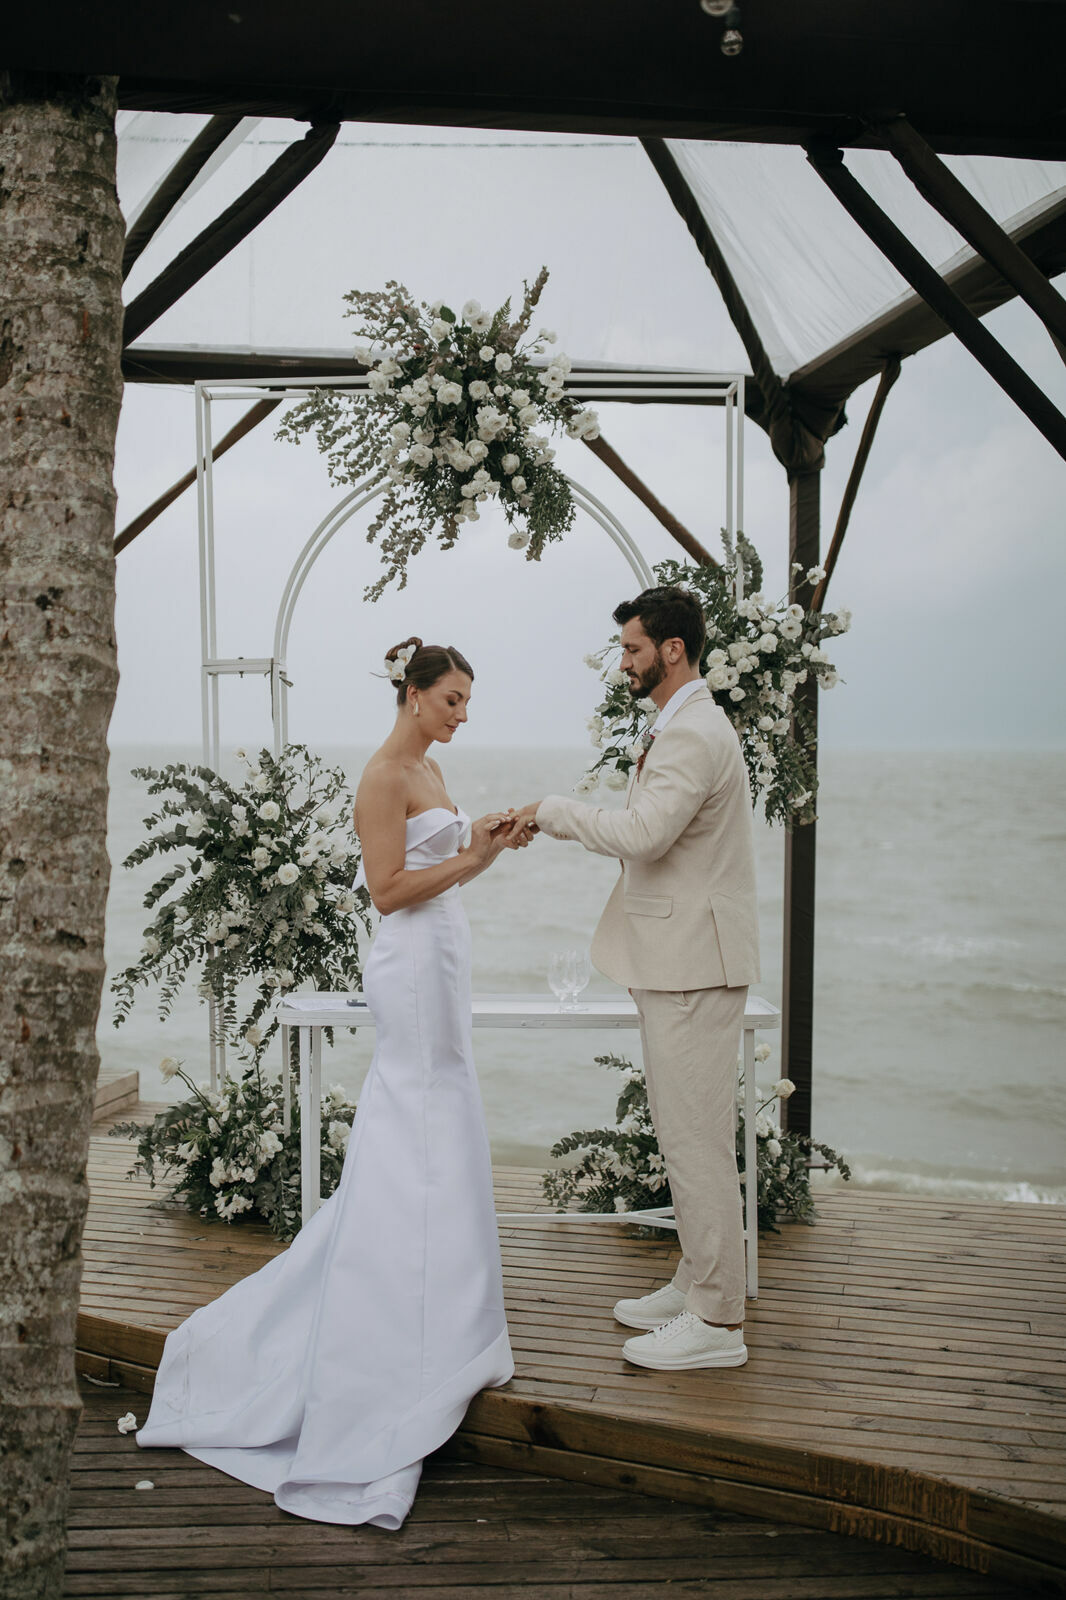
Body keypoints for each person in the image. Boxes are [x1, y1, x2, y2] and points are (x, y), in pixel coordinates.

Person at [135, 637, 532, 1527]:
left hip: (444, 957)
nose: (463, 713)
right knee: (417, 1120)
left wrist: (484, 835)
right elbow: (389, 890)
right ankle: (404, 1310)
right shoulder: (385, 775)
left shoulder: (427, 768)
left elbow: (442, 853)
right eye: (454, 699)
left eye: (469, 700)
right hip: (411, 959)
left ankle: (457, 1313)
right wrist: (475, 863)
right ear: (415, 694)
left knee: (445, 1117)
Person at [513, 586, 759, 1371]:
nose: (623, 661)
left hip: (693, 961)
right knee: (688, 1133)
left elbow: (647, 835)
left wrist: (557, 811)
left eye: (631, 649)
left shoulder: (691, 732)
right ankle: (697, 1280)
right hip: (681, 956)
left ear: (672, 649)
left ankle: (718, 1324)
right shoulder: (684, 721)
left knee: (695, 1144)